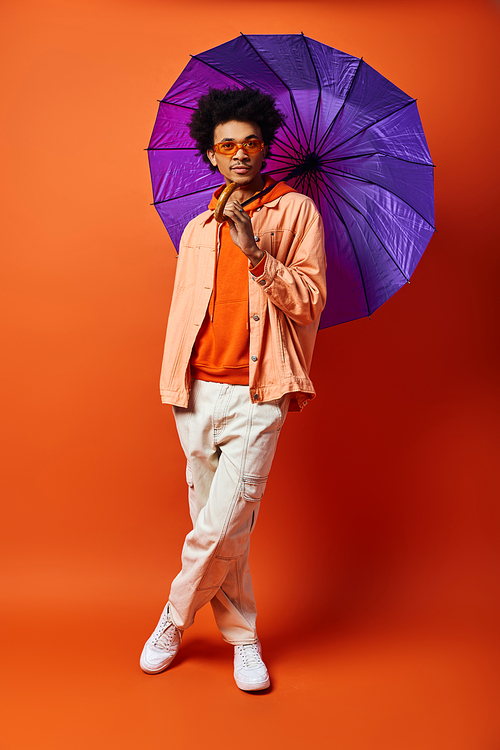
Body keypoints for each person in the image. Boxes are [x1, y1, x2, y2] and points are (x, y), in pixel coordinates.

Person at [140, 87, 327, 691]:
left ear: (266, 147)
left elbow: (310, 301)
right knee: (228, 529)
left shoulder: (295, 212)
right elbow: (182, 310)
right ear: (212, 156)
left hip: (257, 392)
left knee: (222, 524)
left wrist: (257, 256)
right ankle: (244, 640)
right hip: (194, 393)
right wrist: (174, 381)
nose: (240, 153)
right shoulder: (197, 226)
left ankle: (172, 618)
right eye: (227, 145)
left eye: (250, 142)